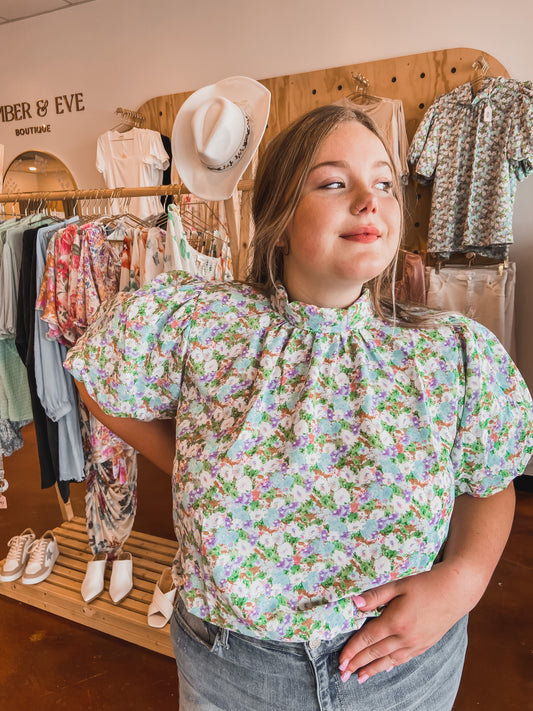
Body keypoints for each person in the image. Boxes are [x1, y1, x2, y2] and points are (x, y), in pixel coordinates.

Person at [64, 101, 533, 711]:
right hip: (232, 669)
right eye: (335, 182)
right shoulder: (201, 323)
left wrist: (464, 582)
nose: (369, 199)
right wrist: (189, 463)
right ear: (280, 218)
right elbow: (99, 375)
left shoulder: (452, 354)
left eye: (385, 183)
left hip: (404, 668)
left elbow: (490, 478)